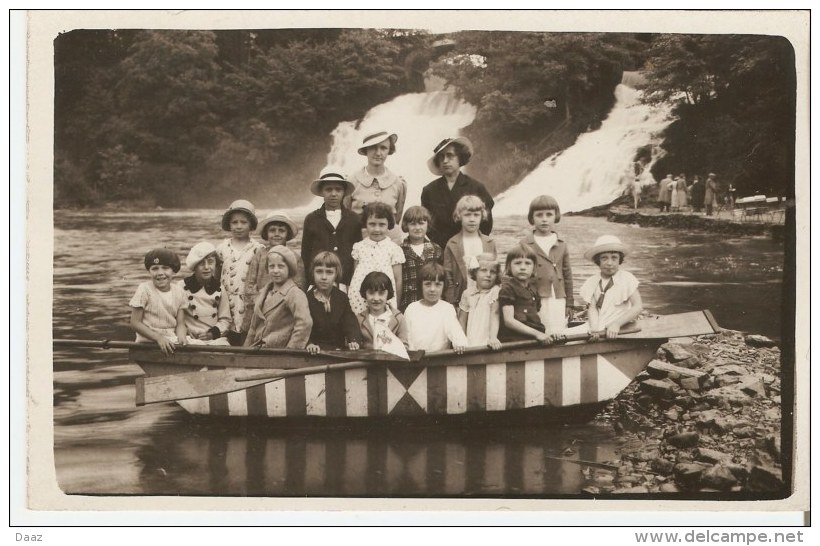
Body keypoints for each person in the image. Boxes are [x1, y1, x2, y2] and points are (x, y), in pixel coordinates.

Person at [421, 136, 495, 250]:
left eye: (450, 155)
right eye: (441, 157)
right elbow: (427, 225)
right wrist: (442, 245)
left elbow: (486, 223)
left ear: (460, 157)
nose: (445, 161)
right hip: (441, 250)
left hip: (471, 248)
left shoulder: (477, 188)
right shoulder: (429, 191)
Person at [242, 210, 304, 334]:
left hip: (283, 308)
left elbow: (300, 286)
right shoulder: (259, 255)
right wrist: (256, 302)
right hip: (259, 307)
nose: (277, 234)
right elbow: (249, 284)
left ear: (287, 234)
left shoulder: (295, 257)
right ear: (266, 233)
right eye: (272, 230)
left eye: (281, 231)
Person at [518, 195, 573, 334]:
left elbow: (567, 275)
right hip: (535, 295)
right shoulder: (525, 243)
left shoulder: (561, 244)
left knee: (558, 329)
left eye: (549, 214)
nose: (544, 219)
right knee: (539, 327)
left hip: (557, 296)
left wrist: (570, 303)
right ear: (532, 218)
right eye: (539, 215)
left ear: (556, 216)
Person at [573, 235, 643, 340]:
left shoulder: (627, 278)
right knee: (563, 335)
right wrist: (595, 330)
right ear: (598, 260)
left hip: (621, 326)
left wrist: (616, 324)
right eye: (604, 258)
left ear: (620, 260)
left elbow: (637, 307)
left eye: (614, 258)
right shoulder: (592, 281)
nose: (609, 263)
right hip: (597, 326)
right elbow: (593, 309)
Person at [301, 169, 362, 290]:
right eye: (328, 189)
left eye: (338, 190)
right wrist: (308, 283)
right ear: (321, 192)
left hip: (346, 281)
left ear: (344, 192)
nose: (333, 194)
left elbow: (359, 253)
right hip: (319, 281)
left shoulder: (354, 219)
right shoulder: (311, 219)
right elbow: (306, 255)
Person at [216, 199, 265, 344]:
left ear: (251, 225)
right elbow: (216, 275)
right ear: (229, 225)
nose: (238, 226)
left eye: (243, 222)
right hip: (225, 300)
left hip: (248, 301)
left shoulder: (258, 249)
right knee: (225, 332)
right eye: (234, 222)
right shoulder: (221, 248)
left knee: (246, 332)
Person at [244, 245, 312, 349]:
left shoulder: (294, 293)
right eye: (271, 266)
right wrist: (245, 351)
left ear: (289, 269)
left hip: (280, 352)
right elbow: (253, 327)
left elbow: (304, 324)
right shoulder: (263, 292)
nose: (275, 270)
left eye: (281, 266)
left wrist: (291, 350)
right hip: (257, 349)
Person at [347, 202, 406, 315]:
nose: (377, 229)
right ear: (365, 224)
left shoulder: (394, 249)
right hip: (359, 298)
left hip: (384, 297)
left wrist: (396, 305)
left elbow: (398, 280)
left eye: (381, 224)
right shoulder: (359, 247)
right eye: (372, 224)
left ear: (389, 225)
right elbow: (355, 275)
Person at [344, 131, 407, 233]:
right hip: (357, 241)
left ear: (389, 150)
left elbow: (396, 219)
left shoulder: (398, 183)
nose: (378, 153)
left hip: (388, 243)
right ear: (366, 150)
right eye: (373, 147)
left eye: (383, 148)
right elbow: (345, 216)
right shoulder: (352, 181)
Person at [129, 248, 187, 355]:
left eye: (165, 268)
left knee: (208, 346)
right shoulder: (144, 290)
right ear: (149, 271)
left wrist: (182, 337)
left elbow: (180, 323)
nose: (160, 273)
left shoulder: (179, 292)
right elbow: (135, 323)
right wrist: (159, 338)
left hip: (171, 338)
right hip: (148, 340)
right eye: (154, 268)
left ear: (173, 271)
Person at [442, 194, 497, 306]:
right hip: (461, 297)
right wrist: (451, 302)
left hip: (485, 298)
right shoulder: (452, 244)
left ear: (482, 216)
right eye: (467, 215)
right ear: (459, 216)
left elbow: (495, 272)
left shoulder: (489, 242)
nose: (472, 219)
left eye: (476, 215)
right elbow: (448, 275)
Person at [305, 251, 362, 355]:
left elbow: (350, 323)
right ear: (312, 273)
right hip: (314, 352)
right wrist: (309, 343)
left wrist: (353, 340)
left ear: (336, 274)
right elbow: (303, 327)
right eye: (319, 271)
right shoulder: (306, 298)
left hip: (337, 351)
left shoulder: (342, 298)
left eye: (329, 272)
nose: (324, 277)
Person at [404, 262, 468, 354]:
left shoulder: (447, 308)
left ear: (443, 286)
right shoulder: (412, 309)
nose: (432, 289)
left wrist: (460, 343)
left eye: (437, 285)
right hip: (415, 359)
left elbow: (455, 330)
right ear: (421, 286)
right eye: (427, 284)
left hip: (438, 359)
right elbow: (408, 336)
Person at [497, 246, 554, 344]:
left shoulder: (533, 289)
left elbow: (538, 316)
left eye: (528, 263)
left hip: (533, 337)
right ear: (508, 266)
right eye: (517, 263)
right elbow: (509, 321)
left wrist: (549, 332)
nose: (523, 267)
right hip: (515, 340)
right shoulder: (508, 289)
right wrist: (537, 334)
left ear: (534, 268)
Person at [181, 242, 231, 346]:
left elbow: (225, 319)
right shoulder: (182, 287)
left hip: (213, 339)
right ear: (194, 266)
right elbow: (174, 315)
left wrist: (213, 333)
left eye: (210, 262)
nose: (207, 267)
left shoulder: (219, 288)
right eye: (201, 263)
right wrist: (183, 330)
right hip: (189, 338)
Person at [398, 205, 443, 312]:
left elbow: (441, 278)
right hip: (408, 302)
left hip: (431, 303)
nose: (417, 228)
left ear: (428, 225)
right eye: (413, 224)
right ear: (406, 226)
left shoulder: (436, 249)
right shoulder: (399, 250)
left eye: (421, 223)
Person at [457, 253, 502, 350]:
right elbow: (462, 320)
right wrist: (460, 340)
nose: (488, 275)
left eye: (493, 272)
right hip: (470, 338)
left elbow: (495, 313)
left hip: (488, 340)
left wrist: (493, 337)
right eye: (483, 270)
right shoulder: (468, 293)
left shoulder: (495, 291)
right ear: (474, 272)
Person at [356, 271, 408, 350]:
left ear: (388, 294)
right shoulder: (359, 319)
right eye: (371, 293)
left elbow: (404, 346)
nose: (376, 298)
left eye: (381, 293)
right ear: (364, 293)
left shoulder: (398, 318)